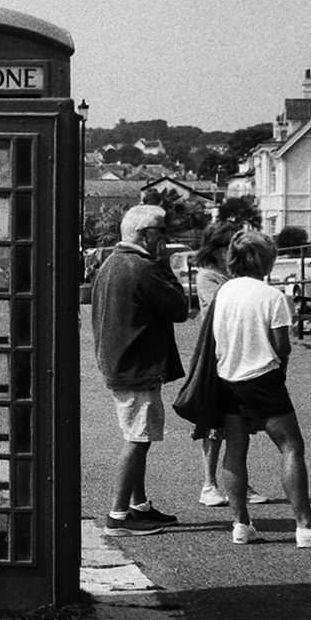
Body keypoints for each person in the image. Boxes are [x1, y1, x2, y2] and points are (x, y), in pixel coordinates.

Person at [204, 228, 311, 547]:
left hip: (227, 378)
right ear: (265, 261)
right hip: (263, 380)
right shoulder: (273, 298)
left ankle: (240, 524)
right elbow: (282, 347)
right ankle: (305, 524)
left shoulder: (224, 293)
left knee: (235, 451)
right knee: (291, 446)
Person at [92, 204, 188, 535]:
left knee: (138, 435)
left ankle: (138, 506)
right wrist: (166, 266)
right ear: (145, 234)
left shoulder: (112, 263)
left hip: (121, 362)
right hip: (138, 366)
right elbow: (180, 308)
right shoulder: (144, 267)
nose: (166, 240)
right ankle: (117, 516)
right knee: (137, 439)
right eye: (162, 233)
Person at [189, 219, 271, 509]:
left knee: (239, 423)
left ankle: (239, 482)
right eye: (228, 247)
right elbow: (217, 310)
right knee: (214, 421)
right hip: (216, 355)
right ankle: (209, 484)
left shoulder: (233, 275)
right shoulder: (208, 277)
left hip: (241, 352)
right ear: (216, 248)